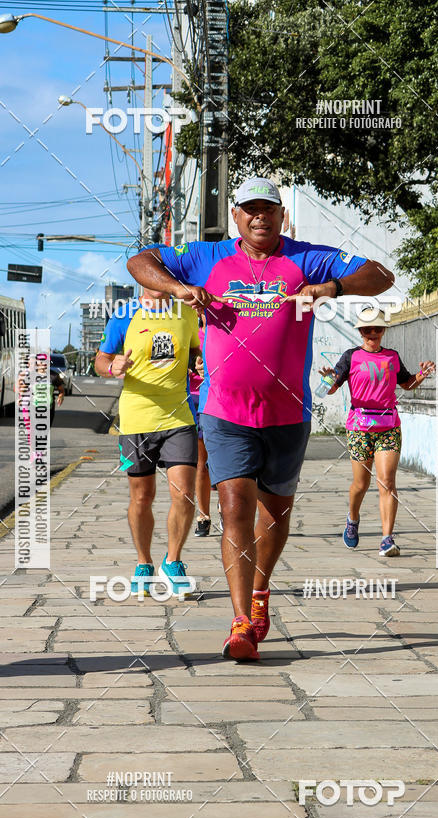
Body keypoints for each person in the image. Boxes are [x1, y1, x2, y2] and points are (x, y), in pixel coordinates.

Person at [126, 176, 394, 660]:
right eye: (249, 209)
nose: (259, 217)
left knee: (275, 516)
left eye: (268, 209)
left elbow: (381, 275)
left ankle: (261, 592)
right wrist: (179, 288)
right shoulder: (206, 258)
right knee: (234, 509)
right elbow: (140, 260)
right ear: (236, 216)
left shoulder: (307, 258)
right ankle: (241, 623)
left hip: (289, 413)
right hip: (225, 411)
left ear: (281, 215)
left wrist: (332, 286)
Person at [95, 289, 201, 596]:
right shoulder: (123, 314)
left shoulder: (186, 313)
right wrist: (112, 367)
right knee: (142, 497)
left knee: (184, 493)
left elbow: (196, 349)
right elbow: (101, 360)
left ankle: (174, 560)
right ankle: (144, 563)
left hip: (179, 417)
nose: (157, 281)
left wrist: (197, 363)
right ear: (141, 280)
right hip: (135, 421)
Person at [319, 308, 435, 557]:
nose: (373, 333)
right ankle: (352, 518)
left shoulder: (392, 356)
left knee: (388, 482)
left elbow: (407, 384)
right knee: (361, 484)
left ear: (383, 331)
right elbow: (330, 389)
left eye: (378, 329)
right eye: (367, 329)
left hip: (388, 427)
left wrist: (422, 374)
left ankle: (387, 539)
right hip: (360, 427)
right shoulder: (351, 357)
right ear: (360, 332)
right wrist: (329, 379)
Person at [188, 316, 213, 537]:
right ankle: (203, 515)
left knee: (224, 462)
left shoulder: (223, 331)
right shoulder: (189, 331)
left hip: (220, 400)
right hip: (195, 399)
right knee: (201, 463)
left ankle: (228, 511)